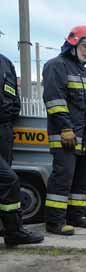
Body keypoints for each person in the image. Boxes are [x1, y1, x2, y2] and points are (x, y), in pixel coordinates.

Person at [42, 25, 86, 235]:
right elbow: (54, 100)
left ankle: (76, 217)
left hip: (84, 137)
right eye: (85, 46)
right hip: (65, 136)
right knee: (62, 179)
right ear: (73, 43)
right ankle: (55, 222)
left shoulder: (84, 73)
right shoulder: (55, 66)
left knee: (81, 180)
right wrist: (66, 128)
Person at [0, 53, 44, 247]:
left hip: (5, 129)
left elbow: (14, 98)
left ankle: (8, 229)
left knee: (3, 184)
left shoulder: (5, 63)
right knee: (9, 180)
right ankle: (14, 232)